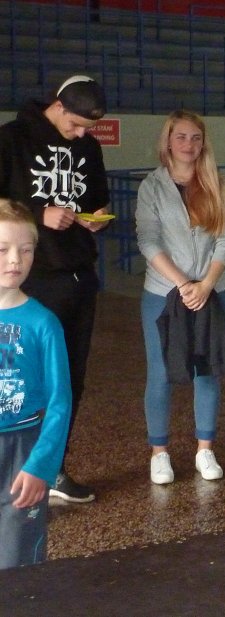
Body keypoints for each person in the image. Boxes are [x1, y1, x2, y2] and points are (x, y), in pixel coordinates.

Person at [0, 74, 111, 503]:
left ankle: (53, 468)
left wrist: (92, 216)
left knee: (69, 379)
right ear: (59, 106)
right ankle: (14, 466)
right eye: (76, 125)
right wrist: (37, 213)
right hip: (27, 277)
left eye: (88, 129)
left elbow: (94, 198)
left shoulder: (88, 147)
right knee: (16, 377)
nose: (81, 135)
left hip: (77, 275)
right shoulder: (12, 139)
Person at [135, 110, 225, 485]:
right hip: (163, 293)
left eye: (196, 137)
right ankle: (159, 453)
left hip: (212, 290)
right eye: (181, 137)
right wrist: (183, 283)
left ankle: (204, 449)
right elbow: (148, 240)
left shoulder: (216, 183)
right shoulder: (152, 186)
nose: (189, 145)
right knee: (160, 372)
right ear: (168, 142)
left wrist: (207, 283)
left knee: (207, 371)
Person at [0, 199, 72, 568]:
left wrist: (42, 464)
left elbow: (60, 401)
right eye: (3, 249)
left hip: (22, 450)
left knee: (17, 559)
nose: (15, 260)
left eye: (25, 250)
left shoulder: (43, 323)